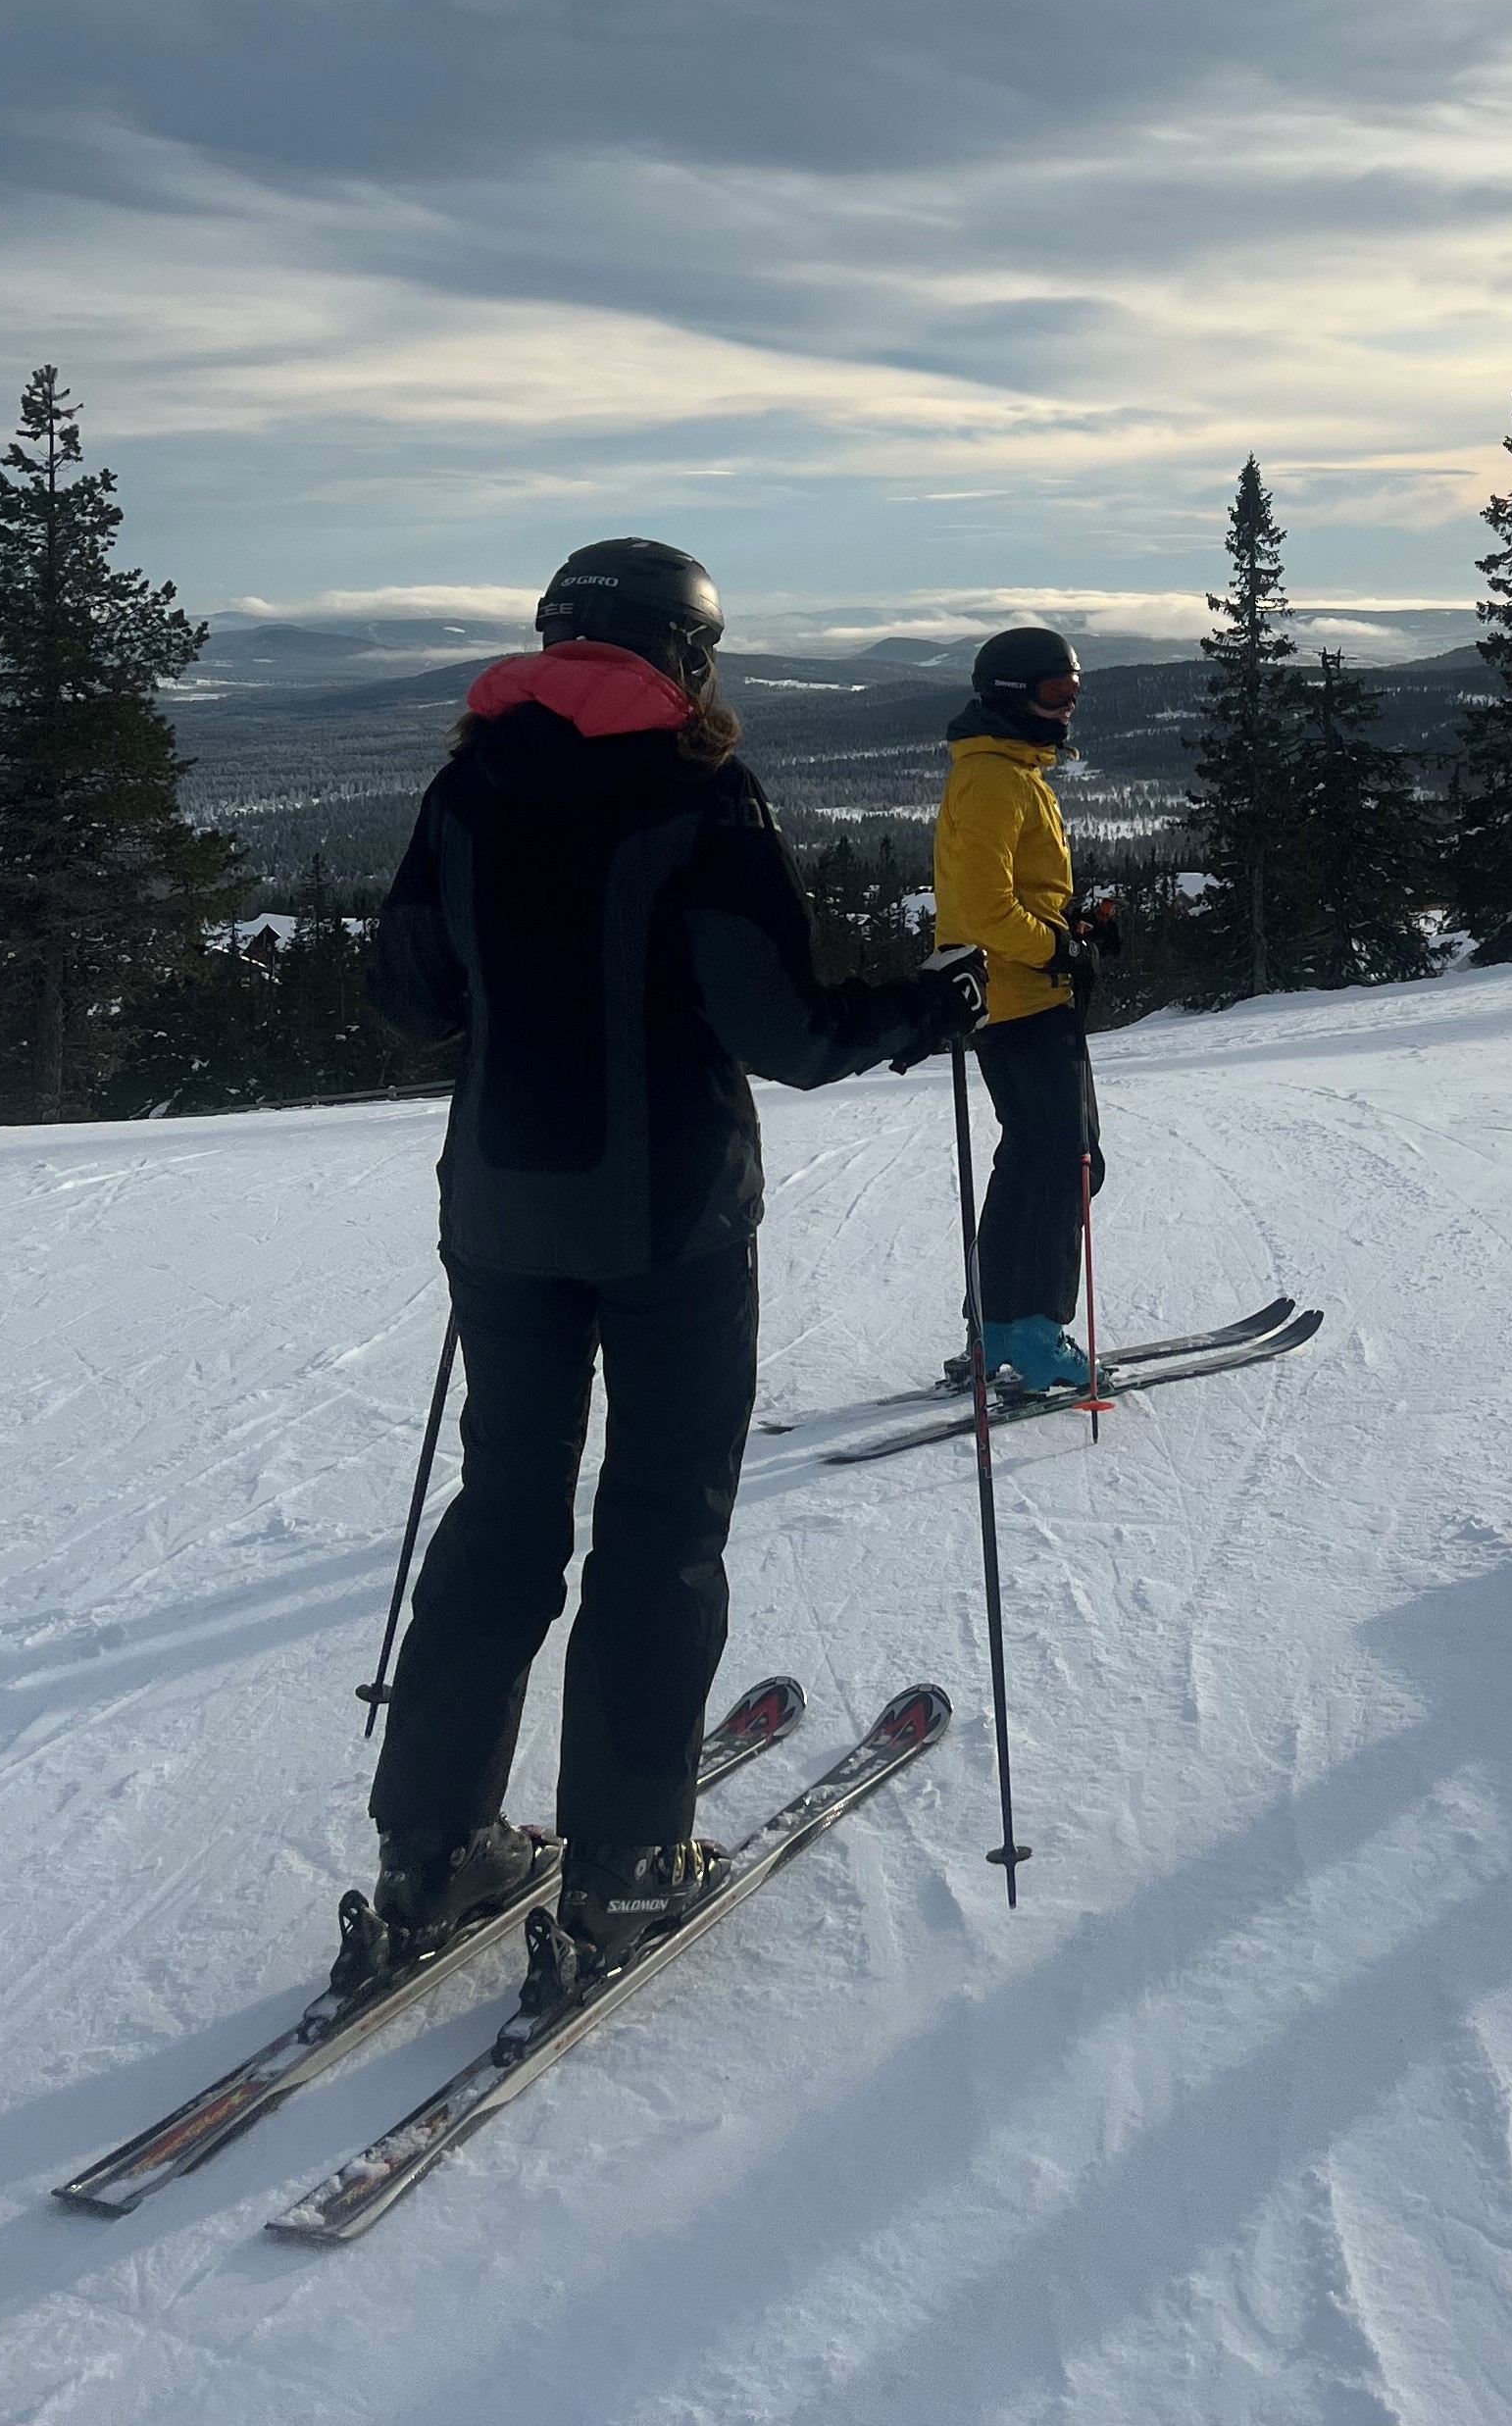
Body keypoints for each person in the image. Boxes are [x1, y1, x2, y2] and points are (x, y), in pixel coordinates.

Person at [357, 537, 985, 1977]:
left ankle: (432, 1846)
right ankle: (626, 1865)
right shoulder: (705, 796)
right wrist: (928, 1011)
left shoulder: (467, 786)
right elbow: (785, 1030)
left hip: (502, 1215)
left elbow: (408, 999)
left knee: (503, 1510)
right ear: (687, 655)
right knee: (658, 1518)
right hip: (670, 1221)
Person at [931, 623, 1109, 1396]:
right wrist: (1055, 949)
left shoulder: (1008, 771)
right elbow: (979, 907)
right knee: (1066, 1165)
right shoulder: (997, 778)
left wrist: (1074, 930)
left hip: (1020, 996)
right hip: (1020, 1000)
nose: (1066, 707)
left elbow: (1016, 896)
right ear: (1014, 695)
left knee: (1034, 1161)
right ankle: (1033, 1332)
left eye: (1074, 691)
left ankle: (996, 1325)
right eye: (1053, 692)